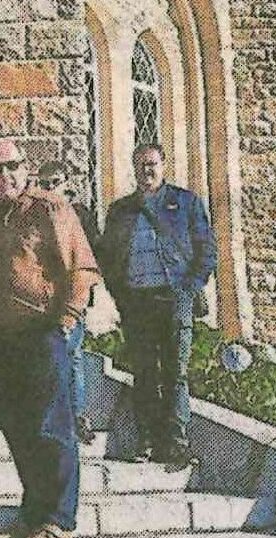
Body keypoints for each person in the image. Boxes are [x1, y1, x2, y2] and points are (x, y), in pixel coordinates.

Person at [0, 140, 100, 538]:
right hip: (2, 340)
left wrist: (66, 321)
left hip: (44, 333)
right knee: (20, 430)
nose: (5, 175)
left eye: (12, 167)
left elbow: (82, 268)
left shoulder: (50, 209)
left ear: (25, 169)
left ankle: (60, 518)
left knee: (52, 427)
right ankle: (32, 512)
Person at [97, 143, 217, 468]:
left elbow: (207, 251)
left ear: (163, 166)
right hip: (138, 302)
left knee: (176, 373)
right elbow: (107, 258)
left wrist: (188, 290)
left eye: (152, 164)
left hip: (174, 299)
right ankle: (147, 441)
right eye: (141, 165)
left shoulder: (186, 203)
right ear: (134, 169)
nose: (147, 170)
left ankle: (176, 444)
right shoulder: (121, 211)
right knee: (145, 373)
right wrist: (121, 296)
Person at [38, 160, 100, 444]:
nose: (50, 188)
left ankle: (76, 416)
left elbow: (93, 255)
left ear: (67, 183)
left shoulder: (80, 215)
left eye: (55, 182)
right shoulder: (37, 213)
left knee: (73, 356)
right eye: (45, 183)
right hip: (45, 299)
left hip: (72, 297)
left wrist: (83, 293)